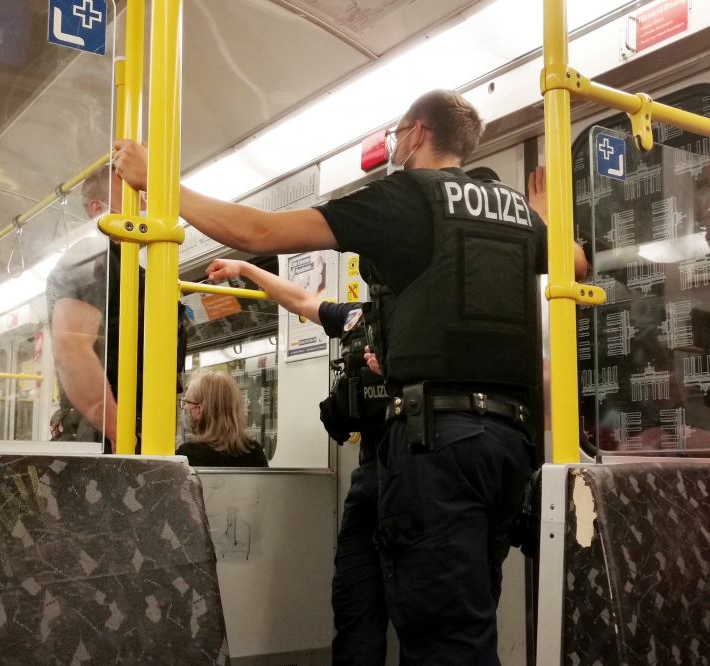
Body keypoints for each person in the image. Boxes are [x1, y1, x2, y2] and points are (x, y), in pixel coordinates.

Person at [112, 89, 587, 666]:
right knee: (467, 615)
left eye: (396, 135)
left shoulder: (409, 198)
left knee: (441, 638)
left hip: (438, 445)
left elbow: (259, 232)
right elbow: (576, 265)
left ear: (416, 133)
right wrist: (538, 216)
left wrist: (157, 182)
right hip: (510, 445)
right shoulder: (512, 209)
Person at [46, 167, 186, 453]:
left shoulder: (135, 269)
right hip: (106, 437)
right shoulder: (93, 254)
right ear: (99, 209)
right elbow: (71, 348)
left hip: (133, 430)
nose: (147, 205)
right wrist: (119, 433)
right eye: (137, 197)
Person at [177, 370, 269, 467]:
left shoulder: (186, 456)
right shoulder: (254, 451)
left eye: (186, 402)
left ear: (199, 410)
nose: (184, 407)